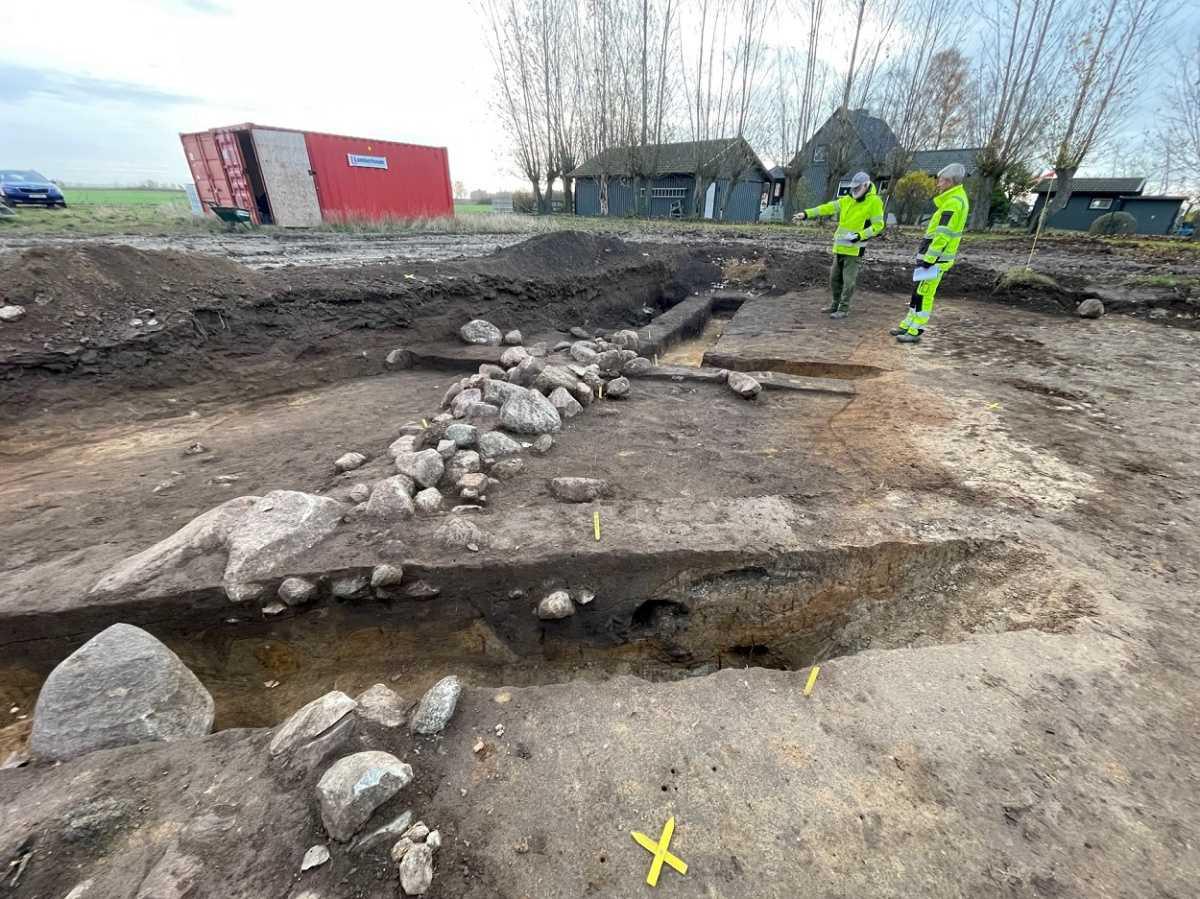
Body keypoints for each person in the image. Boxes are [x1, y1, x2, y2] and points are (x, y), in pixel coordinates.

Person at [893, 163, 970, 344]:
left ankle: (915, 329)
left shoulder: (953, 202)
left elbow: (943, 234)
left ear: (951, 182)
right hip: (931, 257)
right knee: (917, 291)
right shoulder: (952, 199)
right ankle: (907, 324)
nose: (938, 184)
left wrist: (929, 259)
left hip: (935, 259)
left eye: (942, 181)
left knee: (924, 294)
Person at [793, 171, 885, 319]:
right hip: (840, 246)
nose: (854, 190)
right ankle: (835, 304)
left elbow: (878, 225)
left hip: (855, 249)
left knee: (848, 282)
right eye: (853, 188)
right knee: (834, 279)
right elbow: (827, 208)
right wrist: (806, 214)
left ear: (866, 185)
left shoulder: (874, 202)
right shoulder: (846, 200)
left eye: (857, 188)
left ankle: (843, 308)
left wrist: (859, 236)